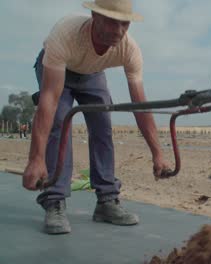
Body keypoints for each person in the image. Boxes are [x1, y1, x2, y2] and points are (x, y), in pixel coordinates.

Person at [22, 0, 170, 234]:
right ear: (94, 15)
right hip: (58, 66)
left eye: (125, 24)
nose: (119, 31)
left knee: (102, 125)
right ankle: (55, 200)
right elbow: (48, 99)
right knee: (60, 120)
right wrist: (36, 158)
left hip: (92, 72)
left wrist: (158, 154)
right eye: (112, 22)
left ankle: (107, 202)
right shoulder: (65, 35)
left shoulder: (129, 49)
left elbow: (140, 105)